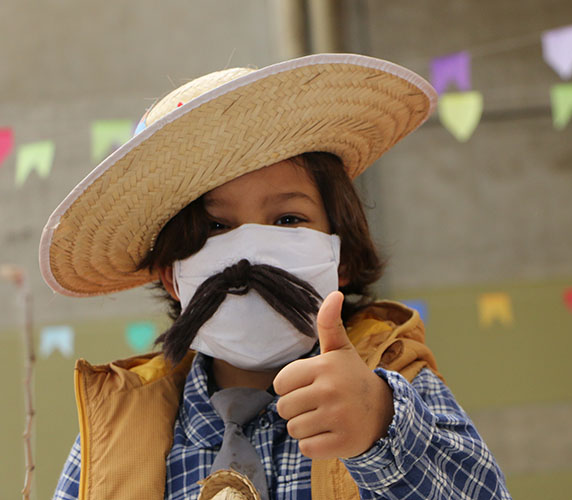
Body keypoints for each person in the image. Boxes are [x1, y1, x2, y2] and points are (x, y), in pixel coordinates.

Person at [43, 54, 511, 500]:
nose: (249, 252)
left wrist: (379, 427)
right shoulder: (115, 429)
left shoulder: (392, 385)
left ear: (340, 255)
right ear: (172, 276)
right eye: (215, 227)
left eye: (288, 220)